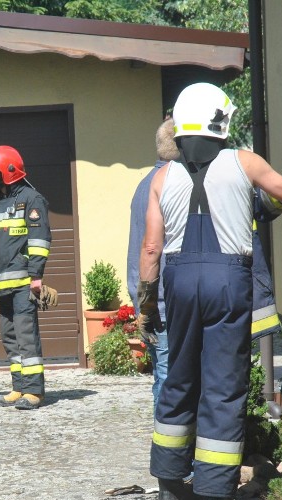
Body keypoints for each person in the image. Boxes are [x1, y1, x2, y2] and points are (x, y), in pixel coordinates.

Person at [138, 82, 282, 500]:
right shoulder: (244, 162)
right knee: (222, 383)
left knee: (179, 377)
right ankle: (216, 495)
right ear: (222, 122)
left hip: (178, 282)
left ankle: (168, 484)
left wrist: (148, 307)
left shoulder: (162, 177)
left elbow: (150, 249)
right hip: (227, 281)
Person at [0, 145, 51, 410]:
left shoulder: (32, 199)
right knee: (10, 337)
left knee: (26, 335)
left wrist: (36, 276)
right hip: (2, 285)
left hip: (23, 284)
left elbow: (39, 240)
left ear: (7, 171)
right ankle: (18, 387)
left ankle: (34, 391)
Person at [126, 118, 179, 410]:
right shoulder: (171, 184)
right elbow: (152, 249)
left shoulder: (144, 184)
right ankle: (169, 445)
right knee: (170, 375)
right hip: (163, 298)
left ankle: (166, 440)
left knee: (163, 371)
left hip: (147, 297)